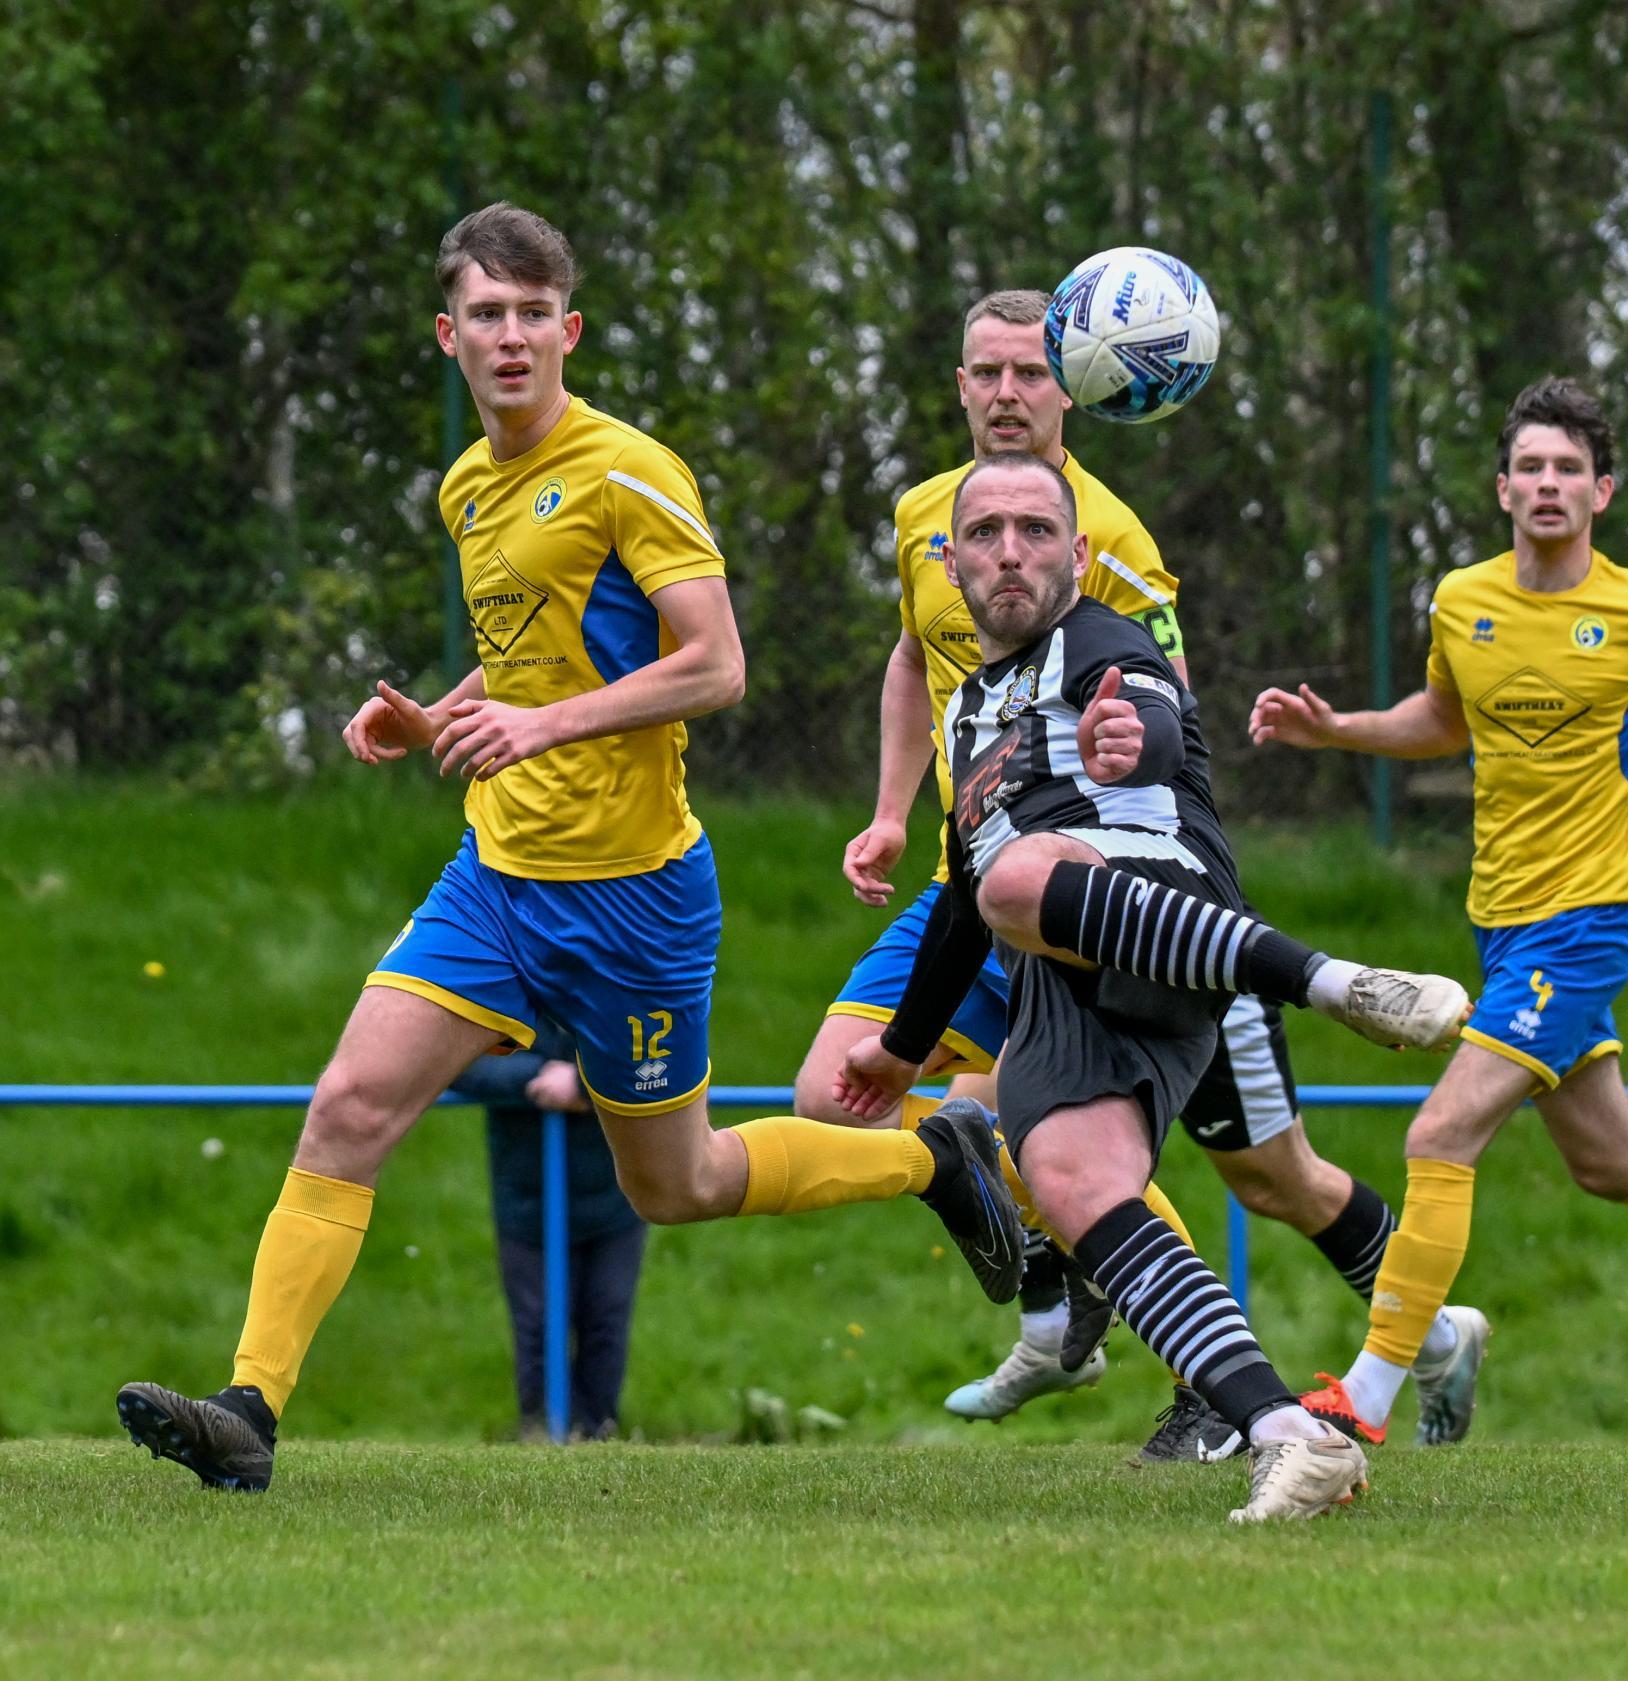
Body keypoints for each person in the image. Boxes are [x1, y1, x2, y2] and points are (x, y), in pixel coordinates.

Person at [115, 203, 1023, 1492]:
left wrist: (540, 723)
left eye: (535, 314)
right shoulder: (466, 487)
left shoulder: (628, 469)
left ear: (569, 330)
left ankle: (932, 1153)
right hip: (497, 880)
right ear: (449, 335)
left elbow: (715, 665)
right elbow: (538, 656)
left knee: (679, 1182)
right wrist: (435, 712)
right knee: (348, 1104)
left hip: (637, 898)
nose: (511, 336)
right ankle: (249, 1412)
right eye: (486, 314)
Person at [790, 288, 1469, 1458]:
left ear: (1077, 386)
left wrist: (1127, 742)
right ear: (958, 386)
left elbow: (1153, 706)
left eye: (1030, 373)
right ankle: (1100, 1301)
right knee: (848, 1099)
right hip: (979, 872)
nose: (1007, 393)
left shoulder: (1112, 543)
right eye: (986, 372)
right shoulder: (927, 519)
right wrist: (892, 812)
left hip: (1119, 892)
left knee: (1274, 1179)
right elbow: (914, 659)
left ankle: (1416, 1324)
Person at [1250, 376, 1628, 1447]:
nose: (1548, 484)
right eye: (1530, 467)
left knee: (1441, 1132)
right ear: (1502, 488)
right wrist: (1339, 730)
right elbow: (1444, 718)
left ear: (1603, 491)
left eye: (1568, 470)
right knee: (1612, 1163)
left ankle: (1370, 1394)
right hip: (1501, 925)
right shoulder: (1463, 599)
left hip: (1586, 922)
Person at [451, 1020, 647, 1442]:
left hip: (618, 1198)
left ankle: (597, 1435)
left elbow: (655, 1065)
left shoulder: (619, 989)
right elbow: (459, 1063)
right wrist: (538, 1078)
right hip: (527, 1203)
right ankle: (543, 1433)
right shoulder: (504, 994)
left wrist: (581, 1084)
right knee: (538, 1326)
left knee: (606, 1321)